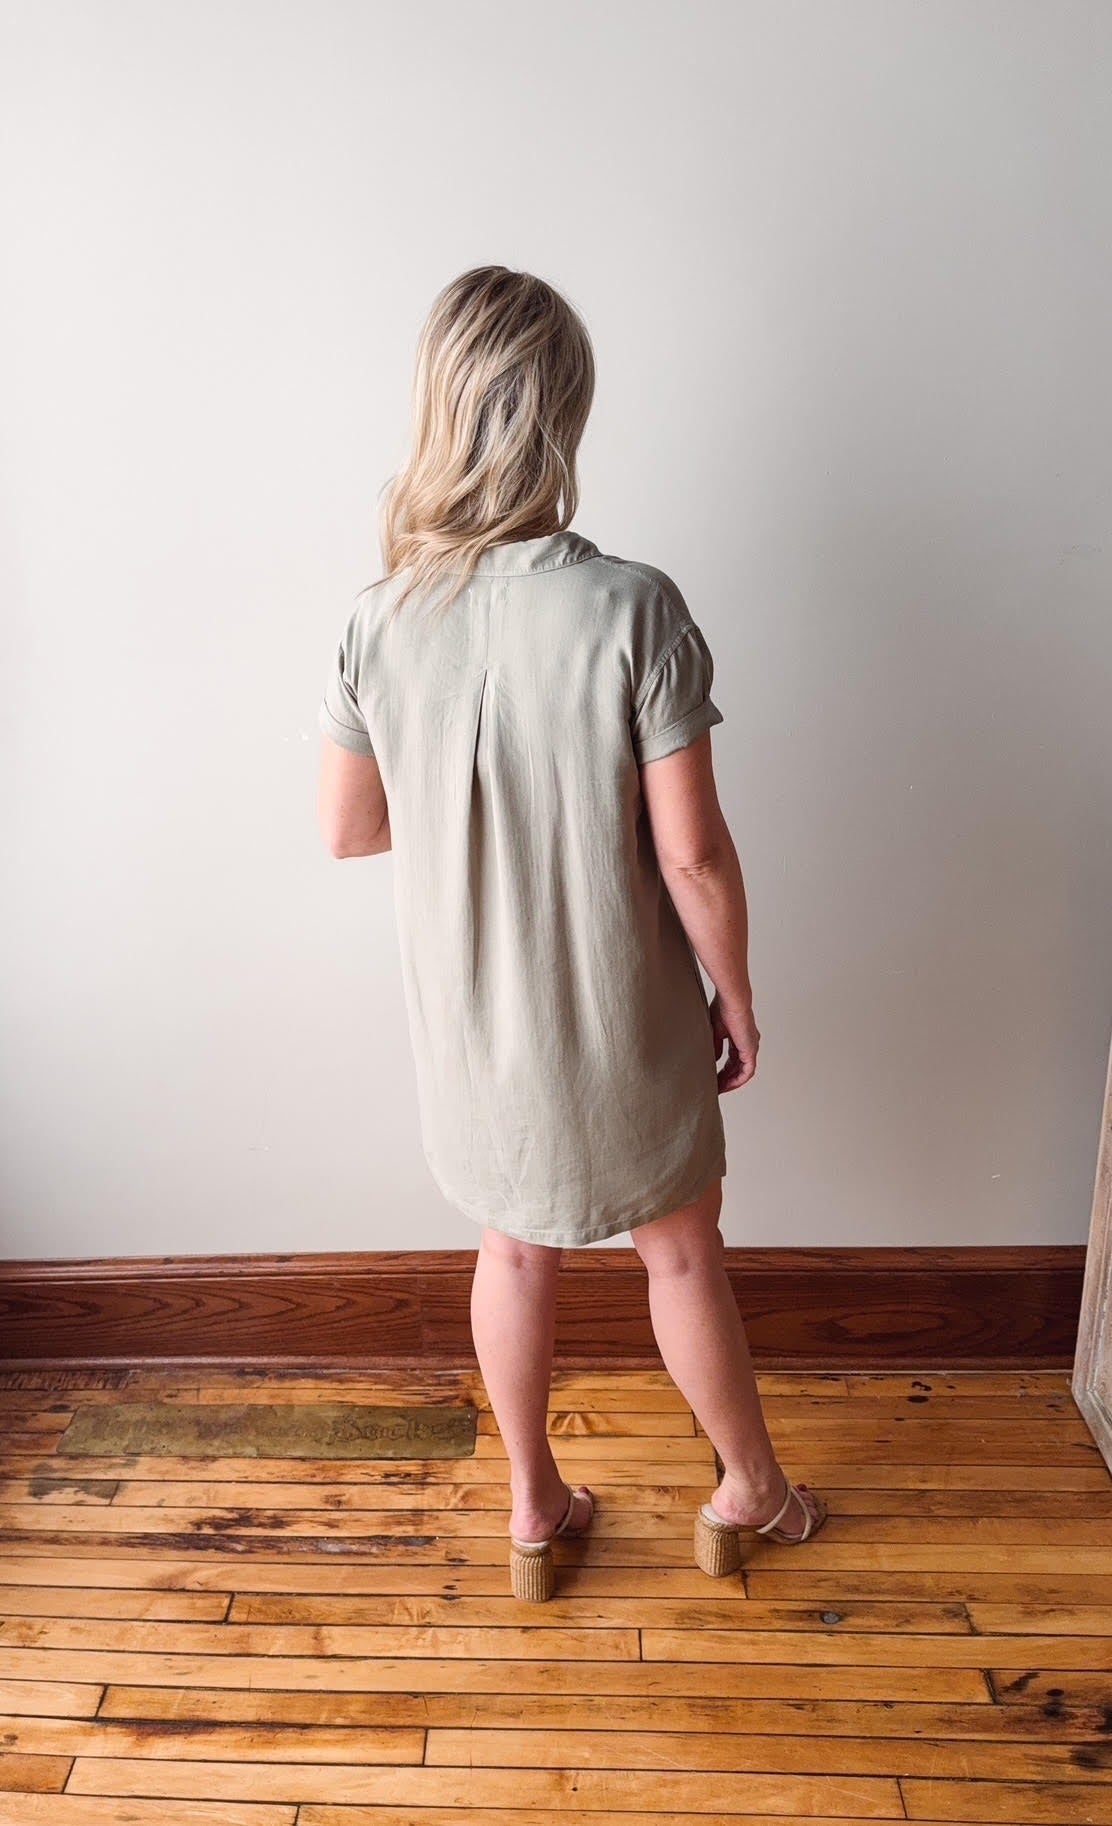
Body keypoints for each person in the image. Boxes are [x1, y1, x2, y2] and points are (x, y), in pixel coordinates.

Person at [317, 265, 827, 1600]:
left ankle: (537, 1511)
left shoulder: (378, 618)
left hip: (475, 1018)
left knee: (512, 1250)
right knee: (678, 1248)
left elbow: (349, 828)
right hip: (624, 1006)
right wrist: (740, 994)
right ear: (564, 419)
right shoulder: (635, 607)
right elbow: (693, 851)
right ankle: (748, 1490)